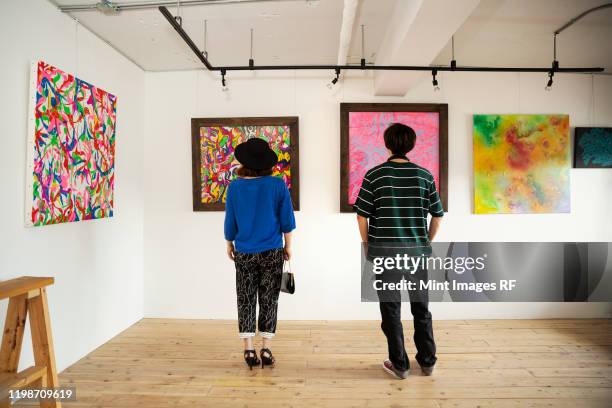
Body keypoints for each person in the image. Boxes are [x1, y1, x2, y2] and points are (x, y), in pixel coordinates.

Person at [354, 123, 443, 380]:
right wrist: (425, 242)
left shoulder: (375, 175)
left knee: (390, 309)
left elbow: (361, 216)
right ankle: (427, 363)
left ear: (387, 144)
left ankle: (400, 365)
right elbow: (437, 216)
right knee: (421, 308)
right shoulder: (425, 176)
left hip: (385, 253)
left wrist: (367, 244)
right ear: (411, 145)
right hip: (417, 254)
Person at [224, 137, 296, 370]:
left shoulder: (234, 186)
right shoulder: (277, 185)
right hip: (272, 251)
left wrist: (229, 243)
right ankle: (266, 348)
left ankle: (248, 349)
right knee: (269, 299)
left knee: (245, 298)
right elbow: (287, 220)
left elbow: (230, 220)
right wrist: (289, 246)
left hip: (244, 251)